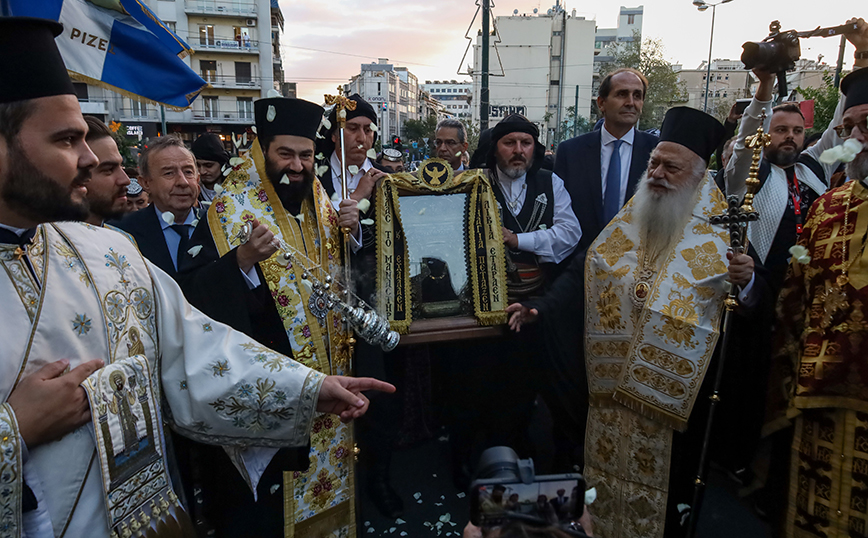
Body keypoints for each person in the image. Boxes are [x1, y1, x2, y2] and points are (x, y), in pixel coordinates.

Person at [0, 17, 393, 538]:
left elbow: (196, 352)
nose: (91, 159)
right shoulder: (220, 213)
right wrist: (13, 432)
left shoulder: (108, 251)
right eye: (67, 139)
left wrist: (308, 388)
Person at [508, 107, 766, 536]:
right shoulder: (631, 218)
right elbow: (585, 269)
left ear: (700, 175)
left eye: (671, 167)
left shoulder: (722, 232)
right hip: (610, 394)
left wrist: (749, 281)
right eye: (654, 164)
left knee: (668, 504)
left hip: (675, 406)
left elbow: (753, 310)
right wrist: (543, 308)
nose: (657, 174)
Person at [177, 96, 367, 536]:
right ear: (263, 153)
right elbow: (191, 295)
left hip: (331, 376)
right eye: (285, 154)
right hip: (273, 386)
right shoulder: (226, 211)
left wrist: (354, 232)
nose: (297, 166)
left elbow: (341, 280)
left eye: (306, 155)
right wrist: (241, 261)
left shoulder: (320, 200)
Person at [771, 65, 868, 538]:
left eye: (865, 125)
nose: (855, 137)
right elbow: (795, 295)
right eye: (848, 127)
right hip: (819, 401)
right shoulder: (828, 206)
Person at [553, 68, 658, 255]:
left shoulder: (657, 153)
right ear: (601, 103)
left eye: (637, 96)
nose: (631, 103)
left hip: (637, 266)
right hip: (580, 266)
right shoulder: (571, 152)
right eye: (622, 94)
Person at [112, 136, 203, 279]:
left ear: (198, 180)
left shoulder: (220, 226)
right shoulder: (121, 234)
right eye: (169, 173)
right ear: (146, 183)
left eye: (188, 172)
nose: (183, 182)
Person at [81, 115, 130, 226]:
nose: (125, 180)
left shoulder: (124, 239)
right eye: (109, 170)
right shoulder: (45, 241)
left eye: (122, 166)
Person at [191, 132, 229, 203]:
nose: (202, 171)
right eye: (197, 165)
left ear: (222, 164)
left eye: (208, 166)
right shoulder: (190, 193)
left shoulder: (237, 190)